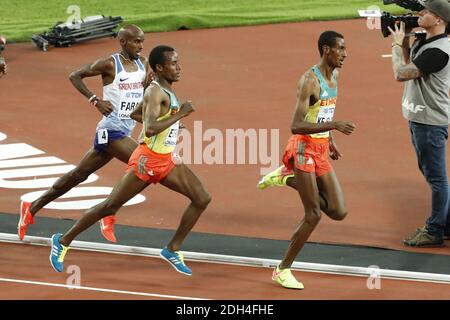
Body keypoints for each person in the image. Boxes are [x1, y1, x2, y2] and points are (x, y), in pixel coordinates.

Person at [49, 45, 211, 276]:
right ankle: (62, 241)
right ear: (158, 68)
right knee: (110, 206)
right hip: (147, 161)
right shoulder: (155, 92)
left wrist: (172, 121)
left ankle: (172, 249)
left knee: (202, 198)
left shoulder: (164, 89)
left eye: (178, 62)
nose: (179, 68)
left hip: (166, 160)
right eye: (173, 64)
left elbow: (136, 115)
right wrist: (180, 115)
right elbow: (152, 127)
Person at [18, 25, 150, 243]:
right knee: (144, 166)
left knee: (78, 175)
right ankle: (108, 211)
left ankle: (31, 207)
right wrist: (95, 100)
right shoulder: (109, 64)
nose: (141, 45)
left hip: (127, 129)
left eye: (142, 41)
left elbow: (143, 96)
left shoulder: (142, 64)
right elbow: (75, 75)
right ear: (123, 42)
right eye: (136, 41)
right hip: (110, 130)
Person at [257, 31, 355, 289]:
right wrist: (334, 125)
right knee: (313, 215)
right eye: (341, 49)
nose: (345, 54)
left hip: (320, 147)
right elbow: (296, 125)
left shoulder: (335, 74)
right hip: (302, 149)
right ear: (326, 50)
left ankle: (285, 177)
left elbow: (322, 113)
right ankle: (283, 269)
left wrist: (330, 139)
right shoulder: (310, 81)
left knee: (338, 210)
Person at [388, 0, 450, 247]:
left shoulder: (439, 51)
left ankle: (434, 230)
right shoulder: (426, 41)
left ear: (439, 20)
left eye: (425, 11)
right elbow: (408, 63)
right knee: (431, 174)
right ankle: (446, 223)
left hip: (430, 123)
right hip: (419, 119)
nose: (419, 12)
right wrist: (404, 44)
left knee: (436, 178)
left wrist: (394, 46)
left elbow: (400, 73)